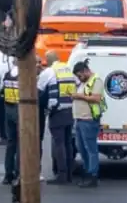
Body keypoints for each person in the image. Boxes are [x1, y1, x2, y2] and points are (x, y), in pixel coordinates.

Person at [44, 51, 76, 185]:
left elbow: (38, 88)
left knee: (59, 144)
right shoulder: (68, 69)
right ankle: (69, 174)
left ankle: (61, 175)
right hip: (70, 111)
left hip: (57, 112)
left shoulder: (50, 71)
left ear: (48, 60)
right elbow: (78, 84)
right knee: (68, 143)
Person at [73, 60, 106, 187]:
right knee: (81, 147)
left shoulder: (96, 81)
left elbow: (96, 98)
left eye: (80, 75)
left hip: (89, 120)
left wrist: (78, 96)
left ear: (86, 71)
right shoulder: (85, 82)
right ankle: (87, 172)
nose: (79, 78)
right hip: (80, 119)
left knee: (91, 149)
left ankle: (92, 175)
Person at [0, 59, 20, 184]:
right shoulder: (24, 75)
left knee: (11, 143)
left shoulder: (6, 74)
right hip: (21, 110)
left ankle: (8, 174)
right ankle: (19, 173)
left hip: (8, 110)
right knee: (21, 144)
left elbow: (1, 90)